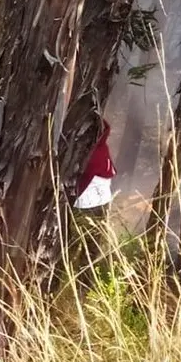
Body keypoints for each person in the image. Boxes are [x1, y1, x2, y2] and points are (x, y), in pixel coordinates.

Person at [72, 118, 117, 282]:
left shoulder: (94, 152)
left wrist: (71, 199)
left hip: (87, 205)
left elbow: (85, 179)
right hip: (99, 204)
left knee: (80, 248)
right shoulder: (101, 150)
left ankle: (81, 284)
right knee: (90, 249)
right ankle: (82, 282)